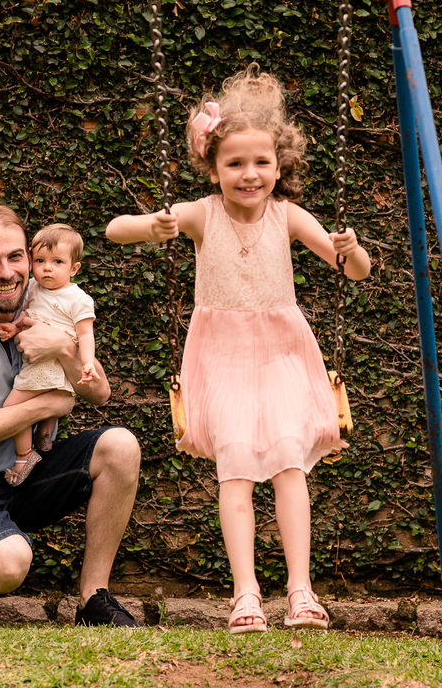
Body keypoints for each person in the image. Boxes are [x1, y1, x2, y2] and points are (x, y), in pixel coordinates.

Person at [105, 66, 372, 634]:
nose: (249, 175)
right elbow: (112, 229)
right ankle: (246, 593)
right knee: (236, 472)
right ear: (213, 167)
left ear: (280, 165)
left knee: (289, 463)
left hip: (281, 356)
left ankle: (300, 590)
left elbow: (356, 271)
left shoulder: (289, 216)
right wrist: (149, 227)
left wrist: (351, 247)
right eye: (235, 164)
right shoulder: (202, 215)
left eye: (261, 163)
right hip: (222, 358)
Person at [0, 204, 141, 628]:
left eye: (16, 257)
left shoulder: (45, 304)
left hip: (23, 472)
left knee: (120, 446)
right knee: (10, 564)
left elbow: (101, 393)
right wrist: (43, 407)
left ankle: (93, 598)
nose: (6, 272)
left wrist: (64, 350)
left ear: (30, 259)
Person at [0, 223, 97, 486]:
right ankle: (44, 438)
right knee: (46, 412)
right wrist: (13, 327)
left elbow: (85, 334)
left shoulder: (78, 299)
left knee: (11, 409)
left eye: (57, 262)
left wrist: (87, 363)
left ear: (74, 269)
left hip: (47, 366)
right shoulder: (34, 289)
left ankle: (24, 456)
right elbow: (27, 317)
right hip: (45, 367)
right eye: (40, 260)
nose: (47, 268)